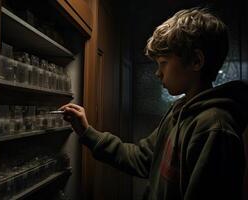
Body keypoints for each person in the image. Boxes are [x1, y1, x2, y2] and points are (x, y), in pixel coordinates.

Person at [59, 7, 248, 200]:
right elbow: (142, 158)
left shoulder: (215, 128)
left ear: (196, 61)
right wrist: (86, 132)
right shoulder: (180, 110)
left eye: (163, 63)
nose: (158, 73)